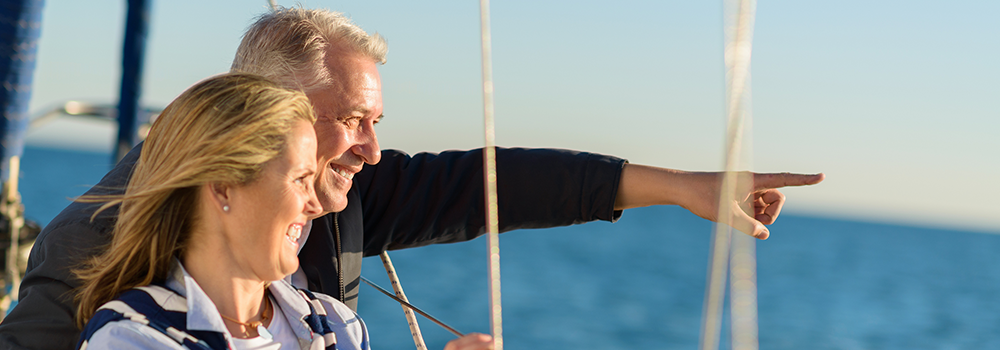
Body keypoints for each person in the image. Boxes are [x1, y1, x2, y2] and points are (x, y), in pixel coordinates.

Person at [0, 7, 823, 349]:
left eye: (377, 126)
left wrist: (681, 187)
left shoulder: (324, 283)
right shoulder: (104, 264)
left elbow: (490, 185)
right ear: (269, 114)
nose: (370, 150)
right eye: (352, 121)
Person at [73, 73, 491, 350]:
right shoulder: (133, 334)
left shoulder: (337, 324)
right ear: (223, 187)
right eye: (298, 180)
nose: (313, 205)